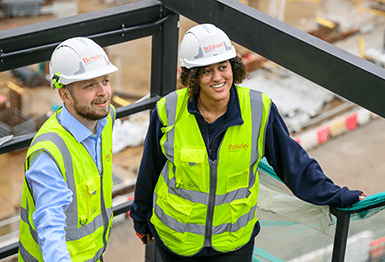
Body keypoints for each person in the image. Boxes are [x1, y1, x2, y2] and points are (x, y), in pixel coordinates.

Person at [130, 24, 366, 262]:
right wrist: (141, 218)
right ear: (192, 77)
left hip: (233, 244)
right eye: (206, 71)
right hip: (177, 243)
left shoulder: (259, 111)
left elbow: (294, 165)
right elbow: (149, 170)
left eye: (223, 67)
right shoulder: (169, 110)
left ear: (233, 67)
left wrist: (338, 195)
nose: (218, 77)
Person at [18, 37, 118, 262]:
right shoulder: (49, 154)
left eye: (105, 80)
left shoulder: (105, 118)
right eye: (90, 85)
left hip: (94, 253)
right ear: (64, 95)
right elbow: (50, 228)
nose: (103, 92)